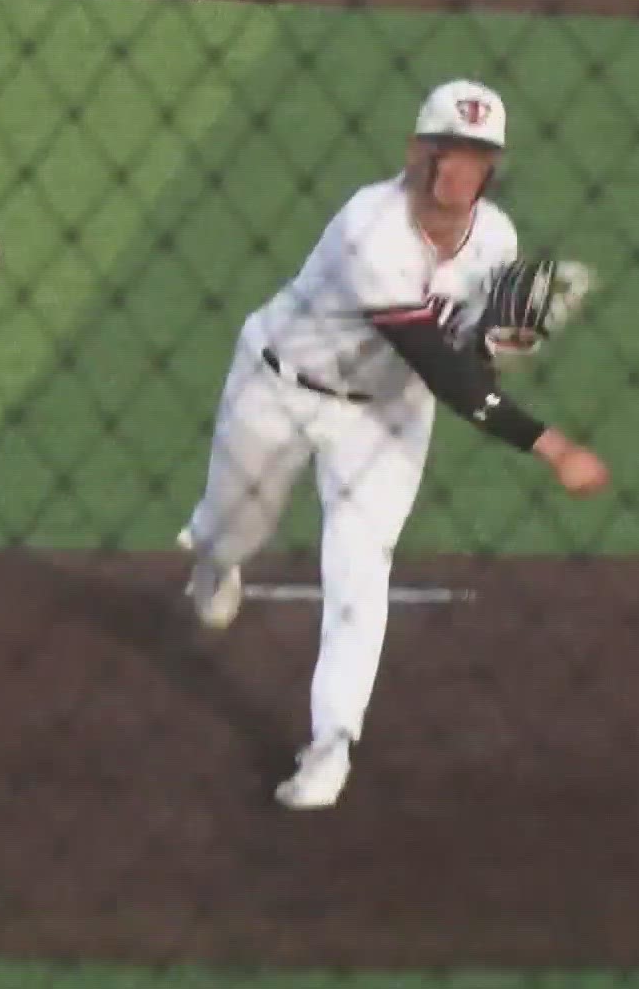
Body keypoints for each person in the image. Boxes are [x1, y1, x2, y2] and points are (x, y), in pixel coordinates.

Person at [175, 78, 610, 810]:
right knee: (232, 531)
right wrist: (551, 446)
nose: (459, 169)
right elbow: (440, 368)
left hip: (384, 416)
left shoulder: (496, 240)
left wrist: (499, 343)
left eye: (477, 156)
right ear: (417, 150)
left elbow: (463, 356)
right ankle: (214, 562)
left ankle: (330, 744)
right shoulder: (368, 227)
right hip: (278, 386)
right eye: (448, 151)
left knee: (359, 562)